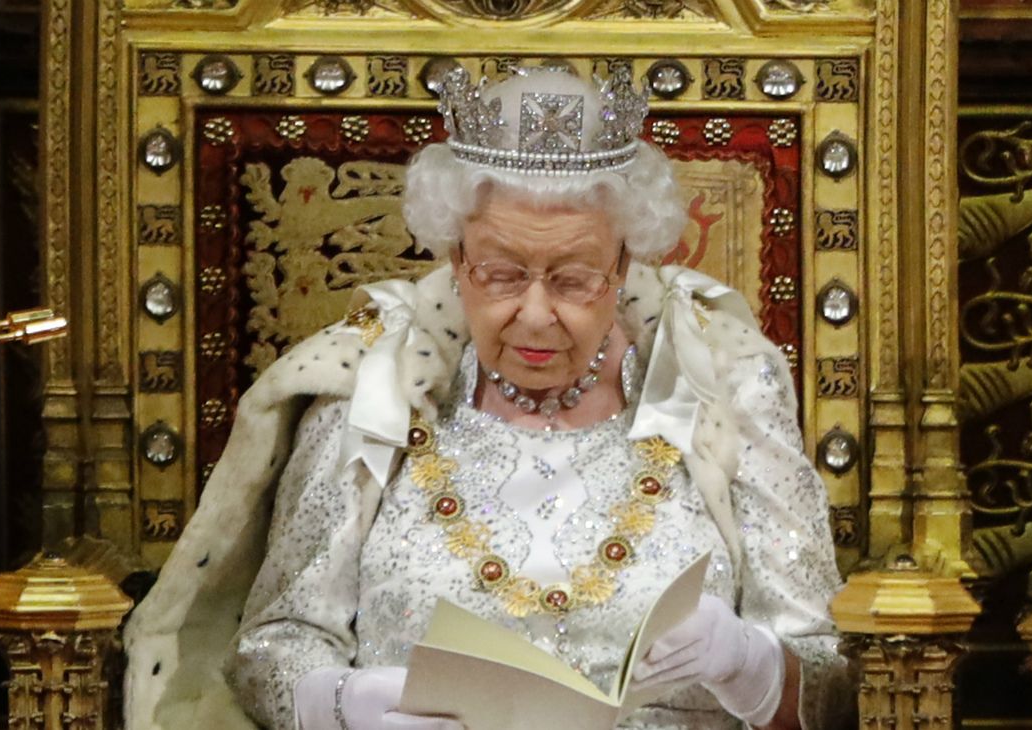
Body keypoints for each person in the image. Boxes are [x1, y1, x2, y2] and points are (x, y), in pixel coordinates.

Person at [124, 65, 850, 730]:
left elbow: (838, 682)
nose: (534, 316)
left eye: (573, 278)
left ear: (625, 262)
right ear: (455, 257)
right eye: (501, 274)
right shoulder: (370, 395)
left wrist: (752, 666)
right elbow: (272, 645)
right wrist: (340, 706)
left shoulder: (726, 388)